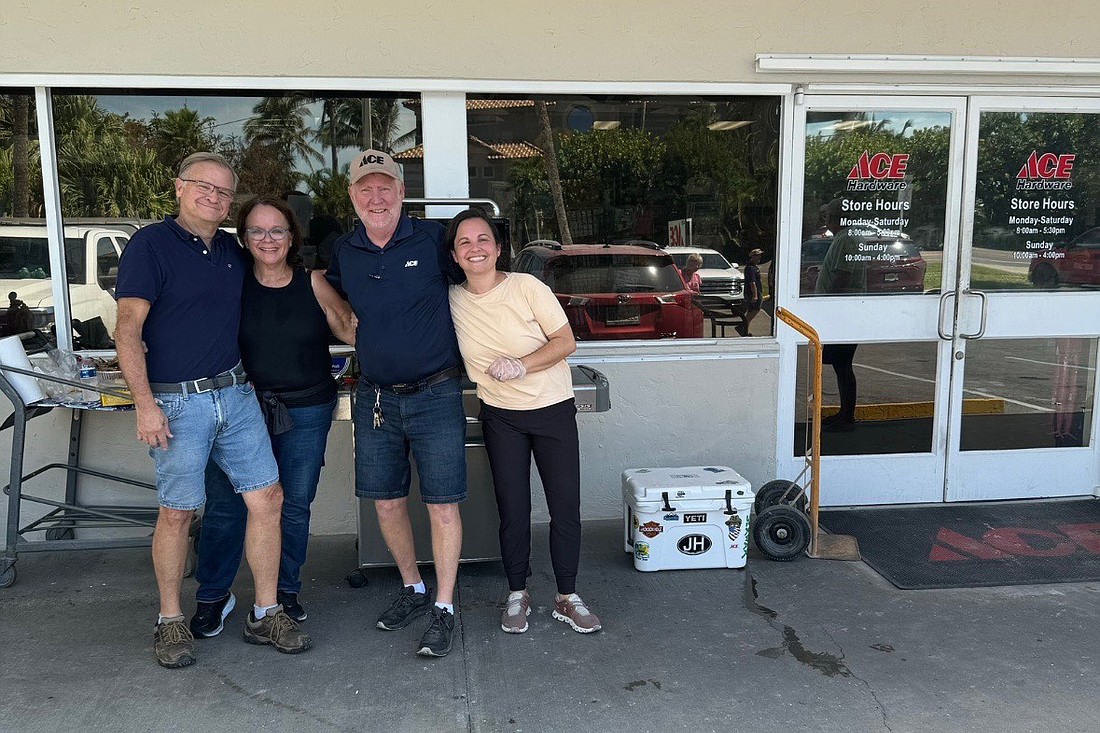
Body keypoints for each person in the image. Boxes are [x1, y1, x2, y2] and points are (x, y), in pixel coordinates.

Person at [114, 152, 311, 669]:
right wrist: (145, 404)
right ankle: (169, 620)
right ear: (178, 187)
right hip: (176, 401)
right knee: (178, 512)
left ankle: (265, 612)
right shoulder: (149, 245)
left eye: (225, 192)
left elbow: (277, 266)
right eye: (205, 187)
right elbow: (127, 330)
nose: (214, 198)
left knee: (268, 499)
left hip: (237, 394)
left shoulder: (230, 248)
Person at [191, 197, 357, 637]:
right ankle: (213, 596)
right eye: (257, 232)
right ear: (243, 239)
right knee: (226, 506)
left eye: (277, 230)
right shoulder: (232, 284)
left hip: (307, 409)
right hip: (239, 410)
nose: (268, 239)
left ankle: (283, 594)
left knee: (294, 505)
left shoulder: (315, 283)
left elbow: (351, 329)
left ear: (291, 237)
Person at [325, 149, 467, 658]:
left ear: (402, 192)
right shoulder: (344, 252)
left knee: (442, 504)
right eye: (366, 187)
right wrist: (319, 283)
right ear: (353, 197)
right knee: (386, 501)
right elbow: (327, 291)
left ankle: (445, 607)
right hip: (376, 399)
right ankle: (412, 588)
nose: (376, 196)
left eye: (385, 186)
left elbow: (481, 282)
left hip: (437, 392)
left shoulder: (435, 240)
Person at [445, 208, 601, 635]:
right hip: (501, 417)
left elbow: (566, 341)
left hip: (551, 409)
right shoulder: (453, 299)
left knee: (565, 506)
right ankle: (518, 593)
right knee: (513, 509)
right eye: (464, 242)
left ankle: (567, 596)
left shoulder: (527, 286)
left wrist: (522, 365)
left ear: (498, 249)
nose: (474, 248)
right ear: (455, 256)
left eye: (483, 240)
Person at [815, 199, 866, 432]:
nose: (826, 222)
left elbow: (844, 275)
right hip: (842, 311)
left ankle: (847, 416)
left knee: (842, 363)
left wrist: (830, 306)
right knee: (840, 364)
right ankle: (844, 413)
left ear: (837, 218)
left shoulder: (846, 239)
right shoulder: (845, 238)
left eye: (828, 217)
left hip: (842, 312)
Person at [738, 248, 764, 336]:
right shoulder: (750, 268)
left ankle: (744, 329)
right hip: (752, 293)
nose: (759, 257)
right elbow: (752, 282)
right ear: (752, 257)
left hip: (755, 292)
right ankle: (742, 327)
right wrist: (755, 295)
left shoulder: (754, 267)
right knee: (754, 310)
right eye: (757, 256)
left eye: (760, 255)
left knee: (751, 311)